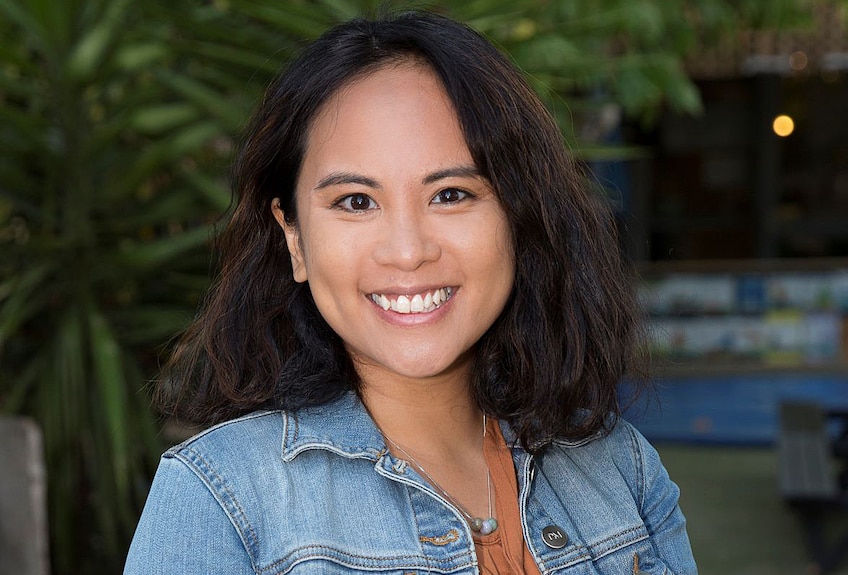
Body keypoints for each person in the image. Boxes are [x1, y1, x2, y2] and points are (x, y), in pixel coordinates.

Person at [124, 10, 697, 575]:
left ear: (519, 217)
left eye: (450, 194)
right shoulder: (219, 500)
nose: (407, 250)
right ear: (294, 239)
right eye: (355, 202)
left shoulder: (621, 467)